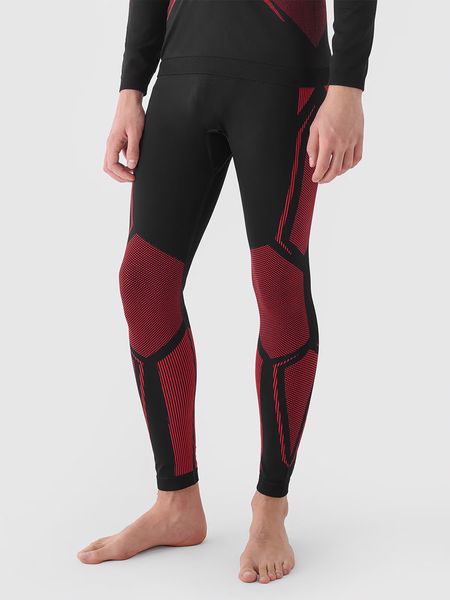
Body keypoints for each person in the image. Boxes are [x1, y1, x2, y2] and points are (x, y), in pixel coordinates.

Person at [78, 0, 377, 583]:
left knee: (278, 280)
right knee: (143, 281)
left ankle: (271, 506)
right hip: (182, 70)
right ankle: (176, 502)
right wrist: (130, 88)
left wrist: (348, 87)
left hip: (284, 74)